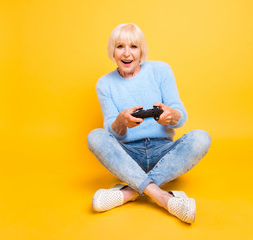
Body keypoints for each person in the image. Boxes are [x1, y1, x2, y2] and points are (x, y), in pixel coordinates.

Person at [87, 23, 211, 223]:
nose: (127, 53)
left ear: (141, 50)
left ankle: (129, 192)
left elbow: (182, 117)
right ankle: (163, 197)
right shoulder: (105, 83)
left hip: (164, 152)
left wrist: (171, 115)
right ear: (112, 50)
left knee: (201, 138)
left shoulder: (161, 70)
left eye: (133, 47)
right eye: (120, 46)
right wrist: (121, 120)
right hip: (128, 156)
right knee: (95, 136)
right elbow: (112, 132)